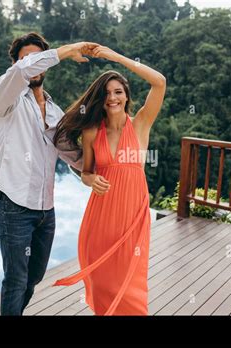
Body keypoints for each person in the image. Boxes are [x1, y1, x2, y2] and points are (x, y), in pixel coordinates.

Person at [0, 32, 98, 315]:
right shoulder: (6, 99)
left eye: (39, 59)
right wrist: (68, 48)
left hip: (45, 211)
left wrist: (100, 169)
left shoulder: (54, 111)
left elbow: (70, 153)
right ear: (15, 63)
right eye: (26, 58)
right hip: (13, 206)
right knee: (15, 280)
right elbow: (23, 70)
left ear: (46, 67)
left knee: (33, 278)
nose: (33, 64)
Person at [52, 45, 166, 315]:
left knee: (130, 286)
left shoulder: (140, 125)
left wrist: (114, 58)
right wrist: (90, 180)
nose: (112, 98)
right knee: (103, 284)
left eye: (118, 92)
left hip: (132, 217)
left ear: (126, 96)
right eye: (106, 93)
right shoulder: (92, 132)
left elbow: (159, 82)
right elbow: (87, 172)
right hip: (100, 219)